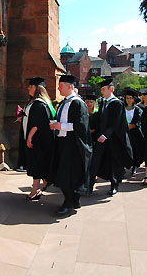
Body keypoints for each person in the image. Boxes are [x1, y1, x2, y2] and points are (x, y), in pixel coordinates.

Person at [49, 75, 92, 217]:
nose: (58, 88)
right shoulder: (64, 102)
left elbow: (81, 126)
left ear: (69, 87)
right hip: (64, 143)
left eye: (60, 86)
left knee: (67, 175)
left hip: (73, 145)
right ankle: (74, 201)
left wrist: (59, 125)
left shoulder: (77, 103)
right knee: (66, 174)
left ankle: (68, 204)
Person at [89, 77, 133, 196]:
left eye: (103, 89)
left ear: (111, 89)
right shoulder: (103, 102)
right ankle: (89, 185)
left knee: (114, 162)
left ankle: (114, 185)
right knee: (96, 160)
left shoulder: (117, 103)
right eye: (101, 89)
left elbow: (116, 122)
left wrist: (106, 134)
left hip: (113, 139)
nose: (101, 91)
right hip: (101, 138)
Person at [21, 77, 55, 200]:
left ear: (37, 88)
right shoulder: (39, 102)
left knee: (36, 165)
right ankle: (42, 185)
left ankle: (34, 191)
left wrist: (29, 137)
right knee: (39, 165)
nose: (28, 88)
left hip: (38, 140)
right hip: (40, 139)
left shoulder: (39, 104)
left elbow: (36, 123)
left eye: (31, 86)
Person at [123, 88, 144, 176]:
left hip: (134, 134)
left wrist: (125, 128)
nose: (129, 100)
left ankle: (134, 166)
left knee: (135, 150)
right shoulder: (122, 108)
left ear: (134, 99)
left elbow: (136, 123)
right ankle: (123, 167)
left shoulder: (137, 110)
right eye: (127, 98)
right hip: (124, 133)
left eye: (130, 98)